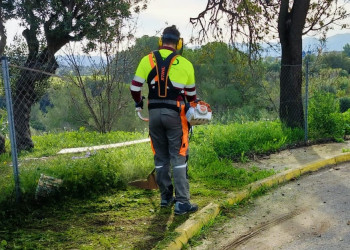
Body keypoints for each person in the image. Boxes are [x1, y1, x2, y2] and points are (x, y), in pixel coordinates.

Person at [130, 25, 198, 215]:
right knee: (178, 157)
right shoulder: (185, 64)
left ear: (161, 42)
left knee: (160, 158)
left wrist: (138, 103)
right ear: (179, 43)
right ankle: (182, 202)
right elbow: (192, 96)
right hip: (175, 116)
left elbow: (135, 89)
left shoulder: (147, 60)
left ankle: (165, 197)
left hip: (154, 116)